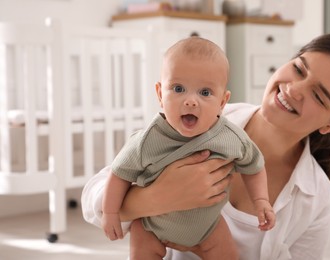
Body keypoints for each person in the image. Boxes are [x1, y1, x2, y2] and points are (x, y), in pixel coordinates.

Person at [81, 33, 330, 259]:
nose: (293, 89)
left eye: (319, 96)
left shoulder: (316, 199)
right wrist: (153, 199)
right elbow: (93, 198)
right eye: (298, 69)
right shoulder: (198, 117)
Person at [100, 37, 275, 259]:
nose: (191, 101)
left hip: (208, 228)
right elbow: (119, 174)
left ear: (222, 102)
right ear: (160, 94)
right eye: (178, 88)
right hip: (151, 227)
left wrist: (260, 200)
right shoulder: (147, 140)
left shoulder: (230, 138)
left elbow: (254, 166)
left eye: (205, 93)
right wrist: (110, 212)